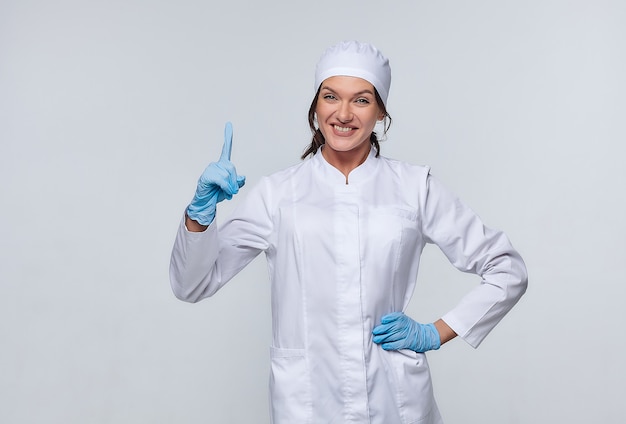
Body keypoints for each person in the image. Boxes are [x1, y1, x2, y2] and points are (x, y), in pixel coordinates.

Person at [169, 40, 528, 424]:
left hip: (395, 401)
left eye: (361, 100)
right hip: (306, 404)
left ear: (380, 112)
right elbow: (192, 285)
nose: (343, 114)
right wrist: (200, 212)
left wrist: (434, 333)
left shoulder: (414, 188)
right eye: (330, 97)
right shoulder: (278, 194)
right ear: (315, 107)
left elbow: (507, 269)